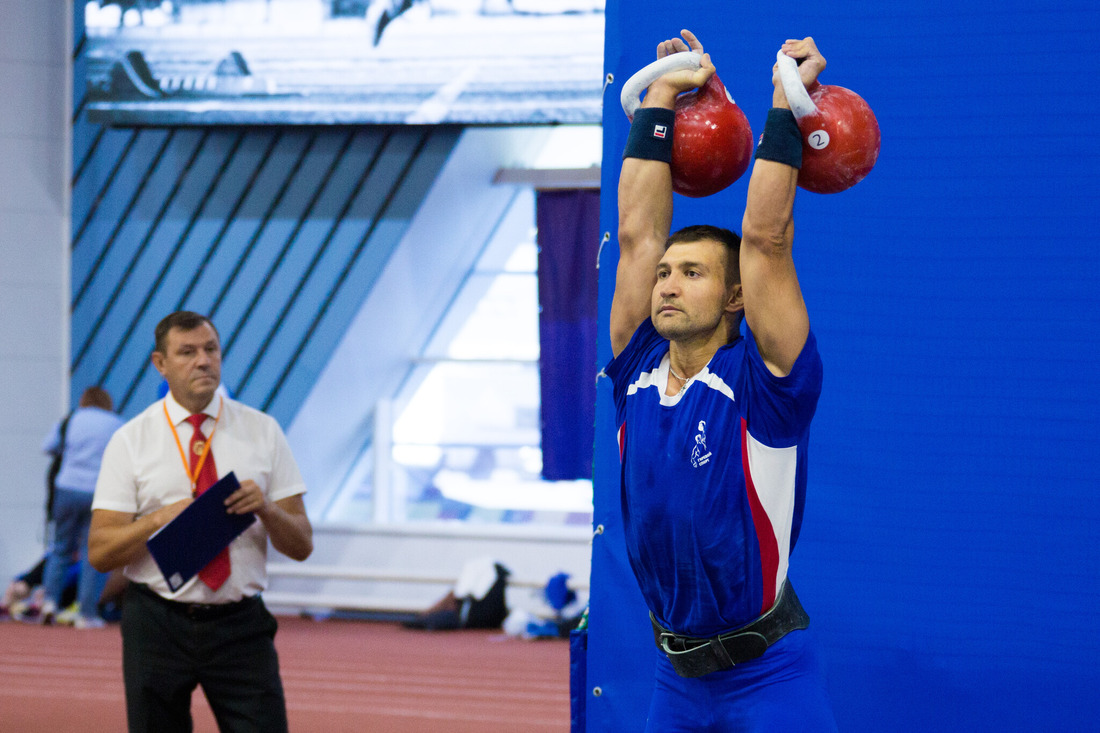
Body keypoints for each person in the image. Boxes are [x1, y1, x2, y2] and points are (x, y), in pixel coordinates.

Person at [605, 31, 837, 730]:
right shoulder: (635, 370)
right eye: (667, 274)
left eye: (694, 272)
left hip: (767, 682)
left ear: (737, 297)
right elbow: (639, 233)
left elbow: (766, 240)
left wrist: (783, 105)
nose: (667, 283)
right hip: (673, 684)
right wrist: (660, 95)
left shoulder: (768, 386)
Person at [89, 310, 313, 733]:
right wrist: (159, 517)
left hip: (239, 626)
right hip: (156, 623)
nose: (203, 361)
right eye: (187, 352)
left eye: (210, 350)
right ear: (161, 364)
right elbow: (100, 553)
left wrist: (266, 507)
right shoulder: (131, 441)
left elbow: (302, 544)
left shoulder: (263, 432)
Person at [39, 386, 125, 628]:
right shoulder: (116, 423)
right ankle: (86, 612)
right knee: (91, 554)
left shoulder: (71, 419)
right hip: (99, 492)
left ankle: (49, 602)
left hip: (67, 488)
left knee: (60, 548)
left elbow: (47, 446)